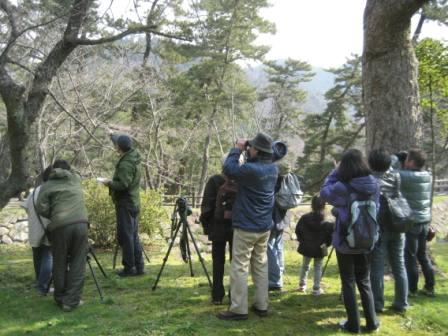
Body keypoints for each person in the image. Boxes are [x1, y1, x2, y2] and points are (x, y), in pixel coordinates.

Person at [217, 133, 278, 320]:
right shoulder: (273, 169)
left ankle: (238, 309)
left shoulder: (251, 169)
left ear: (257, 150)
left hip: (246, 226)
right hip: (264, 225)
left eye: (251, 147)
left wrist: (237, 148)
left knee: (240, 266)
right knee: (260, 265)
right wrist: (246, 149)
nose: (249, 148)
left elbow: (228, 168)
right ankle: (261, 305)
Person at [320, 149, 380, 333]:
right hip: (368, 239)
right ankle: (372, 322)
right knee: (364, 280)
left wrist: (334, 171)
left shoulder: (342, 187)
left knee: (348, 281)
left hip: (346, 241)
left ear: (344, 167)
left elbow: (324, 193)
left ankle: (353, 324)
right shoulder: (374, 184)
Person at [36, 160, 89, 312]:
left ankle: (60, 298)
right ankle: (71, 301)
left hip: (60, 226)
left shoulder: (46, 185)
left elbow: (41, 208)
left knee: (59, 262)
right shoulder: (75, 179)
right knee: (78, 263)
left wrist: (54, 214)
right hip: (81, 223)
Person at [368, 149, 409, 313]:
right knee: (399, 265)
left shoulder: (370, 181)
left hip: (380, 228)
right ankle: (402, 303)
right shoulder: (396, 175)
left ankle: (378, 304)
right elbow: (389, 163)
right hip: (398, 224)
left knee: (377, 267)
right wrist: (397, 157)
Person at [102, 134, 145, 277]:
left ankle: (129, 268)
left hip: (126, 203)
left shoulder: (126, 163)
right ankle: (139, 267)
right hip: (133, 202)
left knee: (126, 236)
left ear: (119, 147)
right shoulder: (134, 157)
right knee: (133, 236)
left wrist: (109, 183)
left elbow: (123, 185)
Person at [400, 149, 434, 297]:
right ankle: (429, 286)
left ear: (412, 162)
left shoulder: (405, 176)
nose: (405, 161)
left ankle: (412, 289)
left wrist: (395, 159)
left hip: (412, 222)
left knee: (410, 256)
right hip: (424, 221)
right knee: (422, 255)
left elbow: (390, 174)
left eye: (407, 159)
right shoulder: (428, 176)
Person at [200, 167, 236, 304]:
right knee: (237, 262)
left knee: (218, 261)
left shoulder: (214, 180)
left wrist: (206, 224)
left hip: (217, 225)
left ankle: (217, 296)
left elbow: (207, 205)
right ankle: (235, 295)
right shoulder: (241, 180)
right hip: (236, 225)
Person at [22, 166, 53, 296]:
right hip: (47, 227)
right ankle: (43, 286)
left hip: (35, 228)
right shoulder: (52, 191)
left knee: (37, 256)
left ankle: (39, 282)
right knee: (47, 255)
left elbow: (26, 207)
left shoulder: (35, 191)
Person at [295, 195, 333, 295]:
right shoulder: (327, 223)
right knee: (318, 267)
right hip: (319, 248)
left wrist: (302, 241)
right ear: (324, 205)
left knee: (305, 266)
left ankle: (302, 286)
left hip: (306, 247)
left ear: (312, 204)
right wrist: (326, 245)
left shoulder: (304, 218)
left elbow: (298, 231)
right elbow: (330, 237)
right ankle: (316, 289)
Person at [267, 162, 291, 292]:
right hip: (282, 218)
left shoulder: (273, 182)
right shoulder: (287, 180)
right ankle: (278, 277)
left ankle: (274, 280)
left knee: (270, 248)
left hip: (272, 218)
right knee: (278, 248)